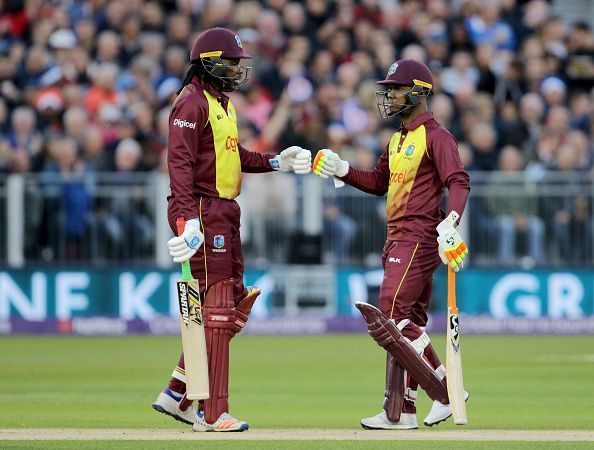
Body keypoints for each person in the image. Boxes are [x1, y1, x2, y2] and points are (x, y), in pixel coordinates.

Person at [151, 27, 311, 432]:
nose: (238, 71)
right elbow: (180, 167)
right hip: (203, 210)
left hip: (225, 210)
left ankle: (178, 392)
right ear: (209, 63)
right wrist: (185, 222)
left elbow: (233, 156)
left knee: (232, 304)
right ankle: (211, 412)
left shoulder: (221, 103)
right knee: (219, 310)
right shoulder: (190, 103)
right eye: (231, 63)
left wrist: (275, 162)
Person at [312, 59, 471, 430]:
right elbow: (377, 182)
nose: (389, 96)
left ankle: (447, 389)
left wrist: (452, 220)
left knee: (392, 316)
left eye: (396, 89)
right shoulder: (398, 138)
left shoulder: (437, 136)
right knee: (410, 322)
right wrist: (342, 169)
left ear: (418, 92)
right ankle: (400, 412)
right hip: (397, 237)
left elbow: (459, 182)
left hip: (418, 237)